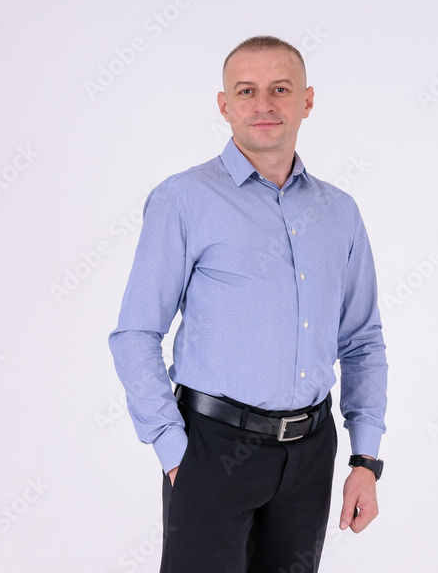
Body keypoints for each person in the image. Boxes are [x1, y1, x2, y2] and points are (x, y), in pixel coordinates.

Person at [108, 35, 388, 572]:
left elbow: (362, 341)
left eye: (280, 89)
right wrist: (174, 450)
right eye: (247, 90)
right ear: (225, 105)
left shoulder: (340, 212)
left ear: (307, 101)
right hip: (211, 450)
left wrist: (365, 459)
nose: (264, 104)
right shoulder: (184, 200)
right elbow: (136, 334)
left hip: (310, 453)